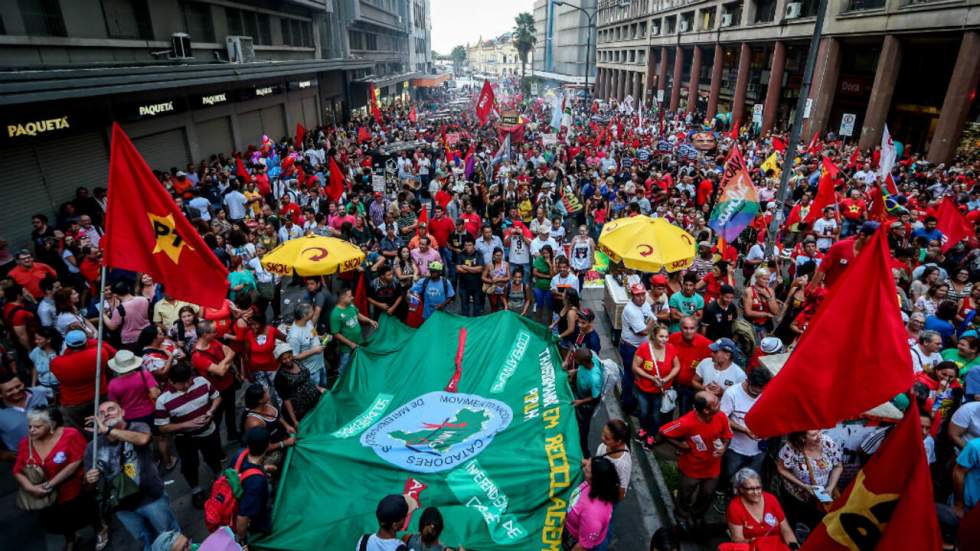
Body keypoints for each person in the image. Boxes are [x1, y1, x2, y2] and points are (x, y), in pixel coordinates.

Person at [84, 400, 179, 551]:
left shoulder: (138, 427)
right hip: (122, 506)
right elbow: (89, 485)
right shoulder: (92, 447)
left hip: (150, 498)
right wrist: (90, 478)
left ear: (123, 412)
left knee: (170, 535)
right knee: (145, 539)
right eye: (101, 413)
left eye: (111, 409)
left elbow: (142, 439)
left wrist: (108, 430)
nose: (106, 414)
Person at [13, 407, 93, 551]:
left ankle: (101, 529)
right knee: (61, 521)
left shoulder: (70, 435)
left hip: (74, 488)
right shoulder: (26, 443)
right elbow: (17, 470)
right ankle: (71, 538)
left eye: (37, 427)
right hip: (47, 497)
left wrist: (50, 484)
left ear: (52, 425)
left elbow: (76, 461)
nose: (32, 430)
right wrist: (30, 488)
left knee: (87, 513)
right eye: (30, 426)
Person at [154, 362, 223, 509]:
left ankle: (220, 477)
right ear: (171, 382)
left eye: (188, 381)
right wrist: (187, 424)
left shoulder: (202, 382)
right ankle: (196, 490)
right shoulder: (163, 400)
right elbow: (163, 427)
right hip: (185, 439)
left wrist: (210, 411)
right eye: (181, 384)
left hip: (208, 431)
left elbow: (217, 397)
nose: (186, 386)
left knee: (214, 456)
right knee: (190, 465)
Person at [659, 391, 732, 528]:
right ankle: (681, 515)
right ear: (705, 410)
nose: (720, 404)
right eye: (715, 403)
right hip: (691, 468)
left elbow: (727, 436)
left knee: (707, 493)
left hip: (713, 467)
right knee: (685, 494)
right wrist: (681, 445)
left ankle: (697, 515)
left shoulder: (721, 416)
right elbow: (663, 431)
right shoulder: (686, 422)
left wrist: (724, 447)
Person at [775, 429, 843, 529]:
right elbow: (781, 469)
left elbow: (838, 466)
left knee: (820, 524)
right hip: (798, 496)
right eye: (814, 435)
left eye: (820, 431)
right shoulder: (790, 449)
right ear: (802, 438)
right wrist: (804, 486)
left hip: (824, 495)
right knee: (799, 523)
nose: (820, 436)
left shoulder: (828, 443)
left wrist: (830, 487)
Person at [50, 329, 115, 431]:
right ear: (86, 342)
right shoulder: (100, 353)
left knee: (78, 430)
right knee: (105, 424)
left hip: (73, 404)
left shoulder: (56, 363)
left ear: (67, 345)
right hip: (100, 395)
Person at [720, 368, 772, 485]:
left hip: (759, 450)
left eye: (762, 388)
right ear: (748, 381)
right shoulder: (732, 393)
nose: (759, 391)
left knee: (751, 478)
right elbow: (722, 419)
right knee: (730, 474)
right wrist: (744, 430)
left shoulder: (768, 393)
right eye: (755, 388)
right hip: (735, 448)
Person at [632, 324, 680, 448]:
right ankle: (643, 429)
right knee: (643, 411)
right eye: (661, 336)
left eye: (666, 336)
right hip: (644, 389)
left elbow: (677, 366)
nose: (664, 339)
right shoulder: (644, 348)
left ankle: (652, 435)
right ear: (654, 336)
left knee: (656, 414)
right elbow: (635, 367)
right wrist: (651, 377)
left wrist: (667, 379)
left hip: (660, 391)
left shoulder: (671, 348)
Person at [190, 320, 239, 441]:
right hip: (216, 392)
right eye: (213, 331)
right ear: (205, 334)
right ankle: (217, 449)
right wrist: (226, 361)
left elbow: (231, 353)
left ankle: (232, 434)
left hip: (228, 383)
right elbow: (221, 371)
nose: (217, 333)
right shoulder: (198, 356)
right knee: (216, 419)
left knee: (231, 411)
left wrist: (223, 363)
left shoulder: (213, 341)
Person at [726, 468, 799, 548]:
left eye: (758, 487)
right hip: (752, 547)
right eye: (751, 489)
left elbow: (785, 529)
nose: (756, 492)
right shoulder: (735, 507)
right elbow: (737, 539)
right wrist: (756, 542)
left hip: (776, 545)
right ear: (741, 489)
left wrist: (794, 547)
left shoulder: (771, 499)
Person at [562, 456, 620, 550]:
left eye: (587, 469)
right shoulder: (598, 486)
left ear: (594, 479)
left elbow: (582, 546)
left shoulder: (593, 515)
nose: (584, 468)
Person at [620, 282, 657, 414]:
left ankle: (628, 398)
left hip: (640, 347)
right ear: (632, 295)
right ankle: (627, 405)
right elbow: (644, 331)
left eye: (643, 294)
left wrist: (651, 322)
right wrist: (651, 323)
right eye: (638, 295)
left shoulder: (644, 304)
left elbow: (652, 316)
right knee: (630, 376)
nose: (641, 298)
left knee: (634, 376)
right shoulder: (631, 310)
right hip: (630, 348)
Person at [0, 372, 52, 462]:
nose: (16, 391)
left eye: (18, 386)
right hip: (27, 459)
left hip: (54, 446)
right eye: (9, 390)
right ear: (0, 394)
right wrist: (3, 454)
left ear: (23, 384)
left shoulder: (40, 393)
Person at [235, 427, 273, 543]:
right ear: (268, 446)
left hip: (239, 498)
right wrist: (241, 541)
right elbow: (242, 516)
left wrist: (262, 469)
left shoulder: (240, 454)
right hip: (254, 521)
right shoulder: (257, 481)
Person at [669, 316, 712, 415]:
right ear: (680, 328)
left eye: (692, 328)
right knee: (666, 412)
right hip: (671, 383)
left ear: (697, 329)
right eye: (685, 328)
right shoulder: (673, 338)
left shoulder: (706, 344)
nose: (688, 331)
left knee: (685, 414)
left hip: (690, 387)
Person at [331, 286, 378, 377]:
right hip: (347, 349)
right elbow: (335, 334)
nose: (352, 297)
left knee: (357, 365)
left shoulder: (351, 305)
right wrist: (350, 344)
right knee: (344, 369)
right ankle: (341, 386)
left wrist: (370, 321)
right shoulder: (335, 314)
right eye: (350, 296)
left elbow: (357, 314)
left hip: (358, 342)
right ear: (342, 298)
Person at [288, 302, 327, 387]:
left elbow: (312, 333)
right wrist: (314, 351)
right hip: (312, 371)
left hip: (320, 365)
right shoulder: (294, 336)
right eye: (311, 311)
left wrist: (320, 337)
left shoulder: (308, 322)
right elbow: (294, 356)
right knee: (316, 394)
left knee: (324, 387)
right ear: (304, 315)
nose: (314, 312)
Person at [455, 237, 485, 317]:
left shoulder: (479, 254)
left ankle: (477, 324)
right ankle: (466, 324)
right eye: (465, 245)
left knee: (477, 307)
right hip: (464, 285)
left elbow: (480, 269)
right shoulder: (461, 254)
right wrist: (473, 270)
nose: (467, 247)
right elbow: (458, 269)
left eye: (470, 245)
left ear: (474, 245)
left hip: (477, 285)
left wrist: (466, 267)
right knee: (465, 307)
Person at [482, 247, 510, 312]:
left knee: (503, 306)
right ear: (493, 255)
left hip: (503, 289)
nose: (499, 257)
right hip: (492, 288)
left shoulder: (506, 264)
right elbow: (483, 277)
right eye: (497, 255)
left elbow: (508, 277)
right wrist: (491, 281)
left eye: (500, 255)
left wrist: (499, 279)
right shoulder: (489, 265)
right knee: (494, 306)